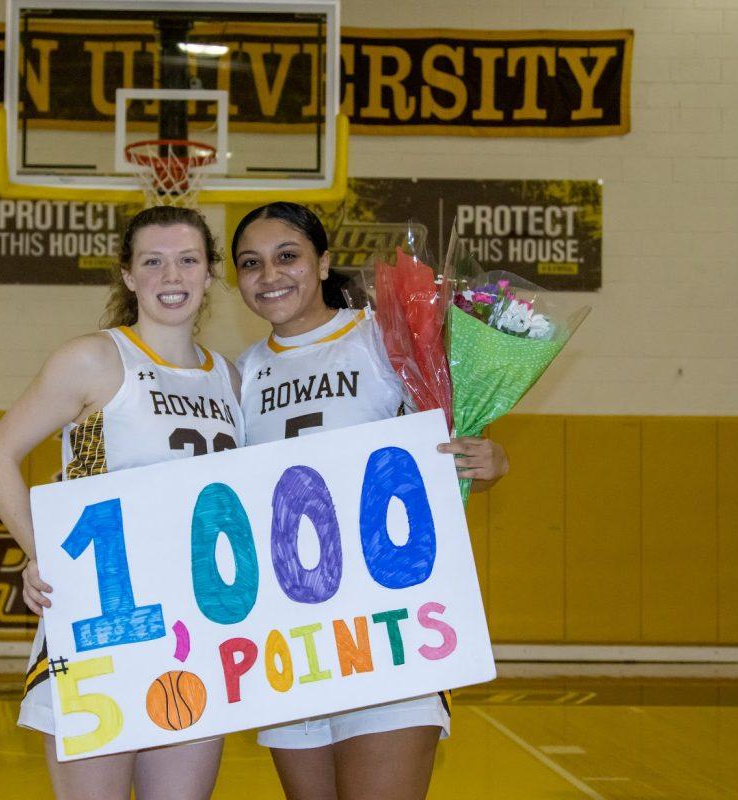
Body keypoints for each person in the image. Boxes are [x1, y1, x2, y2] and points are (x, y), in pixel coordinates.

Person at [230, 201, 508, 800]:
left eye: (288, 256)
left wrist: (490, 461)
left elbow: (450, 447)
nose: (270, 275)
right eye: (251, 264)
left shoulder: (385, 340)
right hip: (291, 637)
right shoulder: (238, 376)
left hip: (389, 624)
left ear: (324, 261)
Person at [0, 205, 242, 800]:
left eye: (187, 261)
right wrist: (41, 552)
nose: (170, 276)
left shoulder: (229, 377)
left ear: (208, 275)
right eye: (153, 261)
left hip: (194, 629)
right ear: (128, 276)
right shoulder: (95, 358)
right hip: (101, 623)